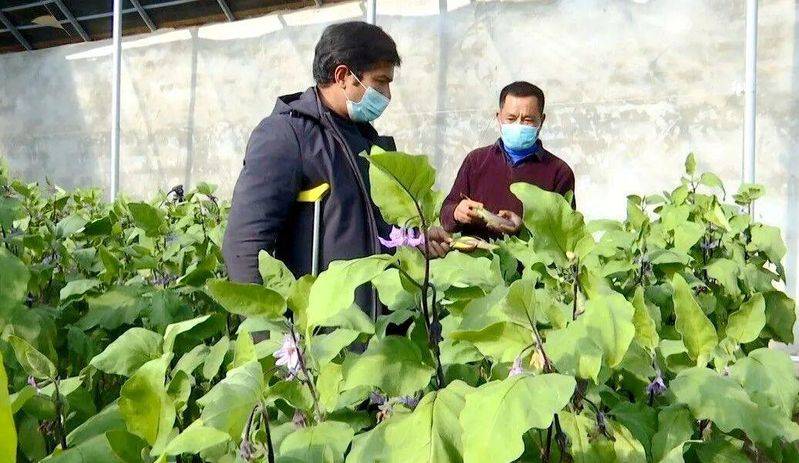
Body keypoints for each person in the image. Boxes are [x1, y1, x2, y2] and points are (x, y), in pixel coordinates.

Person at [223, 21, 449, 320]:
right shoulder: (287, 134)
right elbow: (245, 244)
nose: (387, 94)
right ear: (343, 76)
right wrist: (272, 336)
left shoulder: (366, 140)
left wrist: (415, 239)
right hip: (323, 333)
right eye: (380, 81)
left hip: (373, 326)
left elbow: (371, 228)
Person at [440, 81, 576, 239]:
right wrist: (457, 211)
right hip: (476, 260)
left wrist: (522, 228)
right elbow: (446, 213)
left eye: (527, 120)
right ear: (499, 117)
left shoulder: (559, 172)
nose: (518, 125)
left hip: (530, 263)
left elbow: (566, 232)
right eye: (511, 118)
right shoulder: (476, 161)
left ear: (542, 120)